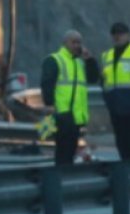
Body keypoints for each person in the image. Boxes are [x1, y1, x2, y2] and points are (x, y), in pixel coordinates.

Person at [40, 29, 99, 165]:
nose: (77, 45)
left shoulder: (79, 62)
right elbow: (47, 83)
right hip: (62, 113)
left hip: (76, 116)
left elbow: (93, 78)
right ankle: (60, 177)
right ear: (65, 42)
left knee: (70, 150)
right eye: (74, 42)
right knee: (63, 150)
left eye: (79, 42)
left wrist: (89, 60)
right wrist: (49, 104)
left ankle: (66, 177)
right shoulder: (54, 59)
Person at [101, 22, 130, 161]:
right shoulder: (107, 55)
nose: (118, 37)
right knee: (121, 141)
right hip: (116, 107)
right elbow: (103, 81)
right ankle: (125, 171)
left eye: (121, 34)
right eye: (115, 34)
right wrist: (107, 100)